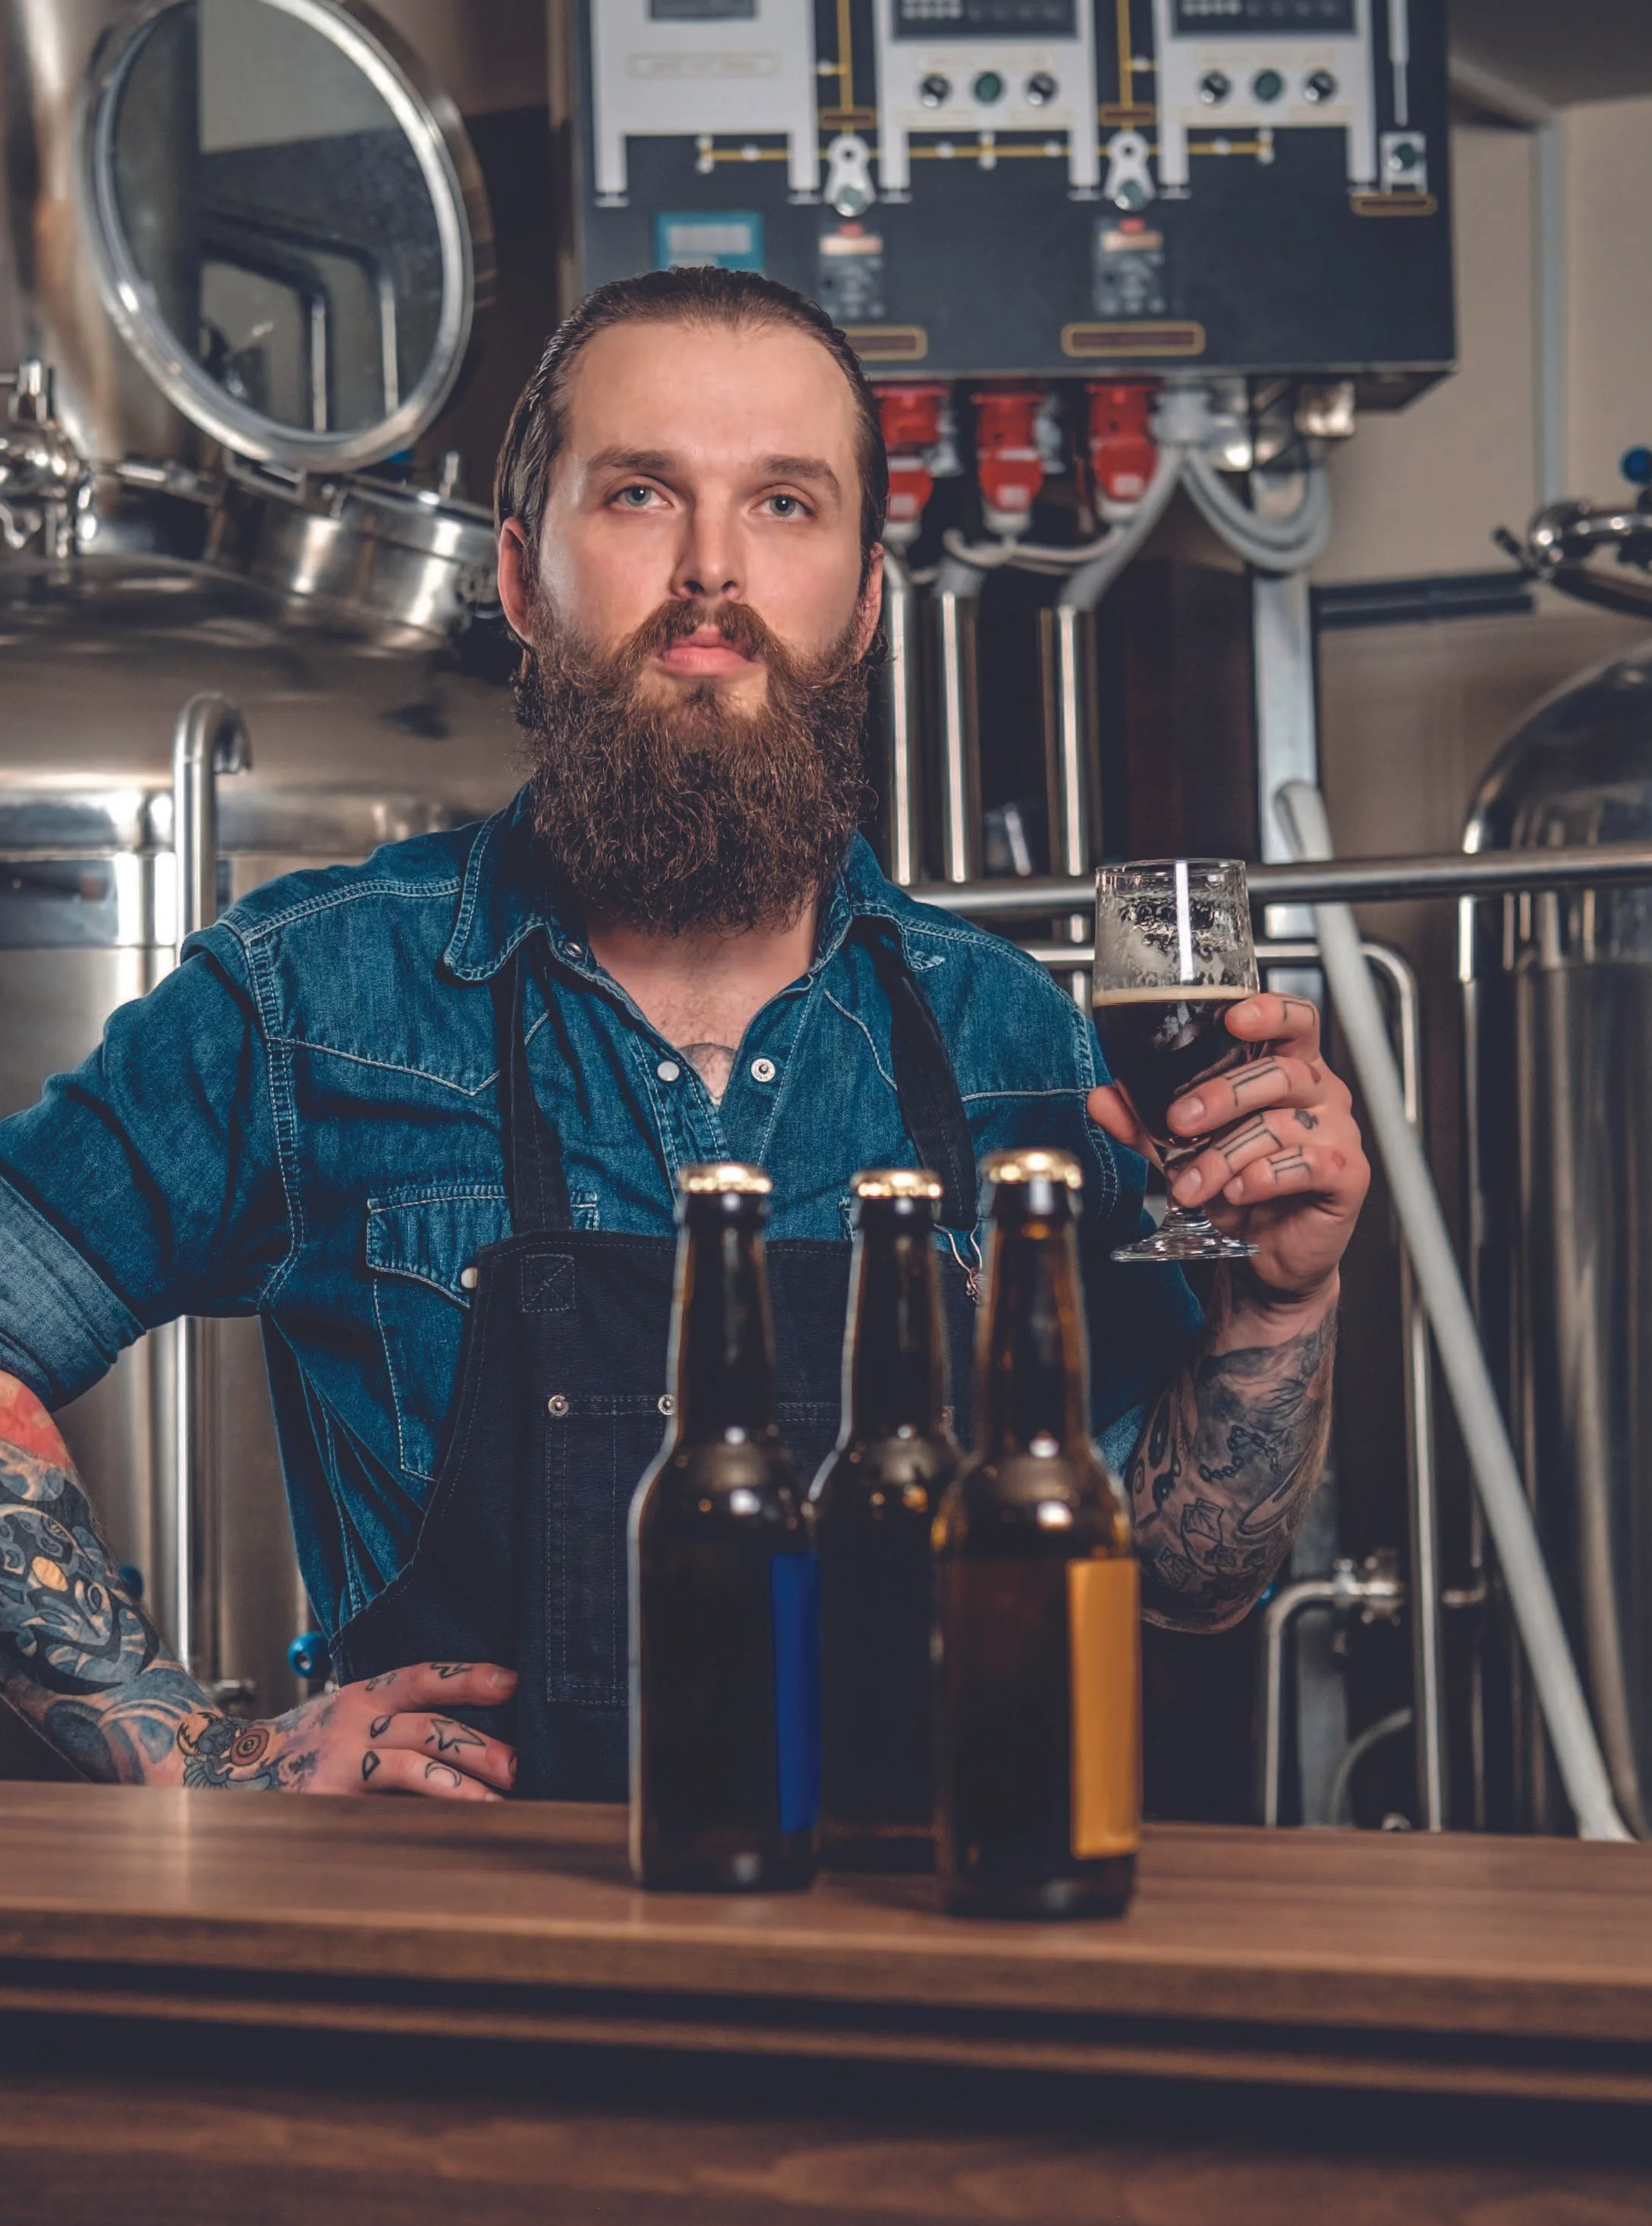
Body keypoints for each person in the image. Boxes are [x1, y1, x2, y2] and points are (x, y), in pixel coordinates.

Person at [0, 269, 1368, 1799]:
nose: (710, 574)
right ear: (522, 579)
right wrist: (196, 1753)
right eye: (642, 494)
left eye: (784, 504)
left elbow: (1188, 1570)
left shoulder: (1016, 1041)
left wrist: (1274, 1314)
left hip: (921, 1952)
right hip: (458, 1969)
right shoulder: (309, 1001)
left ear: (861, 605)